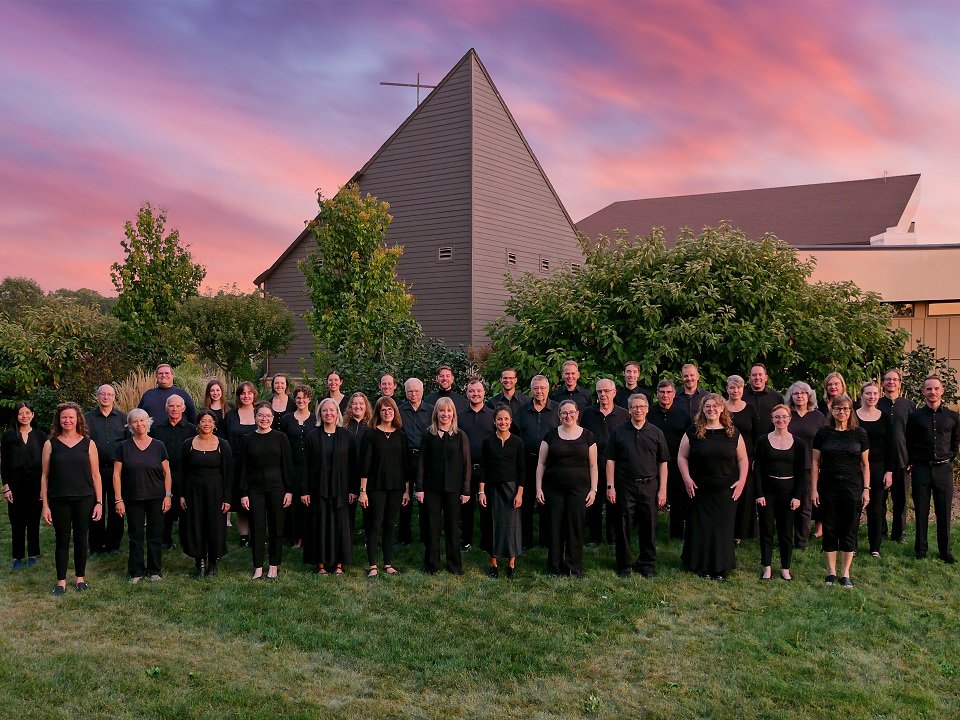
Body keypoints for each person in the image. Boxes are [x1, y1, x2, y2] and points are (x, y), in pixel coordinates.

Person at [678, 394, 749, 580]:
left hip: (726, 490)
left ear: (722, 409)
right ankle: (701, 565)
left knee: (722, 529)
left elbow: (743, 459)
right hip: (699, 489)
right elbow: (681, 457)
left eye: (715, 406)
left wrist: (741, 481)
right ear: (702, 409)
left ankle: (720, 568)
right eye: (707, 406)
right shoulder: (693, 431)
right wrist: (686, 479)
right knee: (701, 527)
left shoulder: (732, 432)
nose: (711, 409)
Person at [40, 402, 103, 595]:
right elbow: (44, 476)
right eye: (64, 417)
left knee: (81, 539)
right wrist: (45, 505)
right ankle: (61, 581)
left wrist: (99, 502)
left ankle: (80, 579)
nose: (67, 420)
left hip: (84, 498)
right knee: (62, 539)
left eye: (71, 417)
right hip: (59, 499)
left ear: (78, 420)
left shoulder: (88, 443)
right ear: (59, 420)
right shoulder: (50, 444)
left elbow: (96, 475)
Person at [605, 394, 669, 578]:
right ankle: (624, 564)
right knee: (623, 525)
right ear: (629, 409)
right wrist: (611, 486)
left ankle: (647, 563)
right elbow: (610, 460)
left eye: (641, 406)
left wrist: (662, 489)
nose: (638, 410)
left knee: (649, 526)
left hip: (650, 485)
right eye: (634, 407)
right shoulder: (619, 432)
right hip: (625, 485)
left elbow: (663, 462)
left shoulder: (656, 433)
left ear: (647, 409)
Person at [535, 399, 598, 577]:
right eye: (564, 413)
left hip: (579, 490)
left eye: (571, 412)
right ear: (559, 415)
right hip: (553, 489)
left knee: (575, 527)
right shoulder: (551, 435)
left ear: (577, 414)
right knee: (554, 527)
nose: (568, 416)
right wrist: (538, 488)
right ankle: (554, 567)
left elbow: (593, 466)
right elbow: (541, 463)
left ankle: (573, 566)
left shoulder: (588, 436)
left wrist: (593, 489)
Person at [811, 394, 869, 587]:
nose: (841, 412)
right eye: (837, 409)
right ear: (832, 411)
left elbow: (865, 464)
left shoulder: (860, 433)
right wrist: (814, 489)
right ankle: (831, 572)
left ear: (850, 411)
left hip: (852, 488)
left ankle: (845, 573)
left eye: (845, 409)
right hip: (828, 487)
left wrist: (866, 489)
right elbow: (815, 462)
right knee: (830, 529)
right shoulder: (823, 433)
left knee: (848, 530)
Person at [113, 408, 172, 583]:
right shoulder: (123, 447)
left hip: (156, 497)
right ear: (130, 425)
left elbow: (167, 473)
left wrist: (168, 495)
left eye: (142, 420)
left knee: (155, 535)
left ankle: (154, 570)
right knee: (135, 535)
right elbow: (116, 475)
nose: (139, 424)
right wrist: (118, 499)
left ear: (148, 422)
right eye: (135, 421)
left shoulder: (159, 445)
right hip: (133, 497)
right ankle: (136, 571)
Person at [906, 376, 959, 564]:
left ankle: (945, 551)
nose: (932, 392)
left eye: (936, 388)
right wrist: (913, 461)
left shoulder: (952, 417)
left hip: (944, 469)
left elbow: (955, 442)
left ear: (942, 390)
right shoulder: (915, 417)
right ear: (923, 392)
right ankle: (920, 549)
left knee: (943, 512)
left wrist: (949, 458)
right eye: (928, 389)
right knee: (921, 510)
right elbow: (909, 442)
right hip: (921, 469)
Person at [415, 397, 471, 575]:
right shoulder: (428, 434)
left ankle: (454, 564)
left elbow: (467, 464)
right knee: (432, 527)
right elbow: (421, 462)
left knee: (453, 527)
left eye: (448, 411)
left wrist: (466, 490)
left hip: (454, 489)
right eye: (441, 411)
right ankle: (432, 564)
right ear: (436, 413)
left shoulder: (460, 435)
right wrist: (420, 488)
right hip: (431, 489)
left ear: (453, 413)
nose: (445, 414)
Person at [302, 398, 358, 575]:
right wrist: (304, 491)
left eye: (332, 410)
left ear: (337, 413)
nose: (329, 414)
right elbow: (305, 465)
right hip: (318, 489)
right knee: (320, 525)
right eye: (325, 411)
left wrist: (353, 490)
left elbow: (354, 465)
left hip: (341, 489)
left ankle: (339, 564)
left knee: (340, 525)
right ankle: (321, 564)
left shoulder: (347, 436)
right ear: (320, 413)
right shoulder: (312, 436)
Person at [239, 403, 293, 579]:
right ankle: (257, 567)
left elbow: (287, 465)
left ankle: (274, 565)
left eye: (267, 416)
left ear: (273, 418)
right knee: (257, 527)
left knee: (276, 527)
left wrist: (289, 490)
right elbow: (243, 468)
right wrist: (243, 493)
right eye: (261, 415)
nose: (264, 419)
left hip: (277, 488)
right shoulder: (247, 439)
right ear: (255, 417)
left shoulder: (280, 438)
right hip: (255, 489)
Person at [359, 396, 410, 577]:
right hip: (375, 487)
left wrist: (406, 490)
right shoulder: (370, 434)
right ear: (378, 413)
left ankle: (388, 564)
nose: (387, 412)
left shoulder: (401, 435)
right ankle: (373, 565)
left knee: (390, 525)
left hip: (396, 487)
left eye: (390, 409)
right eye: (383, 410)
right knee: (374, 524)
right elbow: (365, 464)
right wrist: (362, 491)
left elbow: (406, 465)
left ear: (395, 412)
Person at [754, 405, 805, 581]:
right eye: (777, 417)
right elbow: (758, 469)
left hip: (789, 493)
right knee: (766, 530)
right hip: (767, 492)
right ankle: (766, 566)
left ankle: (785, 567)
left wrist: (797, 496)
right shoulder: (762, 441)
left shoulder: (798, 443)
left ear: (789, 419)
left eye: (784, 417)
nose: (780, 420)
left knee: (786, 532)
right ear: (772, 419)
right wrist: (759, 494)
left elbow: (801, 472)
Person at [179, 409, 233, 577]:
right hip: (193, 491)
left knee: (214, 526)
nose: (207, 424)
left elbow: (229, 473)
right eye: (203, 421)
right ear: (198, 424)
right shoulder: (188, 444)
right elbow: (182, 471)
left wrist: (227, 497)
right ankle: (199, 560)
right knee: (196, 525)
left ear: (215, 424)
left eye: (210, 421)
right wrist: (181, 495)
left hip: (216, 492)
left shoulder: (223, 444)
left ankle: (213, 563)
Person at [580, 378, 628, 546]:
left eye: (606, 391)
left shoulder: (624, 414)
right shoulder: (587, 413)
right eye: (599, 391)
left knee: (614, 502)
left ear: (614, 393)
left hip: (616, 464)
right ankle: (594, 537)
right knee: (594, 501)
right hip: (592, 463)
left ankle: (613, 537)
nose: (603, 394)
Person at [479, 405, 525, 578]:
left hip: (512, 490)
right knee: (493, 525)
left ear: (511, 421)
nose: (503, 422)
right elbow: (483, 467)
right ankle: (494, 564)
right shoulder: (488, 441)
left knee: (512, 526)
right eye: (499, 419)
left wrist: (519, 493)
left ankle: (512, 563)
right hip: (492, 489)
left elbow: (522, 470)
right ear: (494, 421)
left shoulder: (518, 442)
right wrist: (481, 491)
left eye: (506, 419)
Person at [514, 375, 559, 549]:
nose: (539, 391)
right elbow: (516, 435)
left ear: (548, 389)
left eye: (542, 388)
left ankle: (546, 539)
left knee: (547, 502)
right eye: (535, 388)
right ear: (531, 390)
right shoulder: (522, 411)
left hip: (550, 464)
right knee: (525, 502)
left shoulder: (556, 410)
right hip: (527, 461)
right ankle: (526, 541)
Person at [2, 402, 46, 569]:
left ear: (33, 415)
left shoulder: (41, 436)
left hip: (35, 485)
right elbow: (4, 463)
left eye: (28, 413)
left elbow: (46, 464)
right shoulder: (8, 436)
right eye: (21, 413)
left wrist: (44, 487)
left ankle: (33, 554)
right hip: (15, 486)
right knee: (17, 522)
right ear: (16, 416)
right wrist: (6, 487)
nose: (25, 416)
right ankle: (17, 557)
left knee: (33, 521)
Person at [648, 380, 692, 540]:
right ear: (657, 394)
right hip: (653, 462)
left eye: (668, 392)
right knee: (652, 497)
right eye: (661, 392)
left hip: (676, 461)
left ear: (674, 394)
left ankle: (677, 534)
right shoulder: (650, 413)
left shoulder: (682, 414)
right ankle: (650, 531)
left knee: (679, 499)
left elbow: (690, 438)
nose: (665, 395)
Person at [86, 384, 127, 556]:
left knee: (116, 505)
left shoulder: (123, 418)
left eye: (109, 394)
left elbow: (128, 443)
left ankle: (113, 544)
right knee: (96, 505)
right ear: (97, 397)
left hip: (117, 470)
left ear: (114, 397)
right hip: (95, 470)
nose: (106, 397)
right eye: (102, 394)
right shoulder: (87, 418)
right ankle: (96, 545)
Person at [785, 380, 826, 549]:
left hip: (810, 467)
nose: (799, 396)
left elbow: (824, 441)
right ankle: (785, 537)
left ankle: (801, 541)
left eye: (803, 393)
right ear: (791, 397)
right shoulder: (786, 414)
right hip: (787, 465)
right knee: (787, 504)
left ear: (809, 396)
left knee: (805, 506)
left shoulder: (817, 416)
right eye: (796, 393)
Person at [151, 395, 196, 550]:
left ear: (183, 408)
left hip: (185, 473)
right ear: (166, 408)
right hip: (162, 474)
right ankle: (164, 540)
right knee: (164, 508)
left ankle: (186, 540)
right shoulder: (157, 429)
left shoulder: (191, 429)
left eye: (178, 406)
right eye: (171, 406)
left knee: (185, 507)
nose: (174, 409)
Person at [856, 381, 894, 557]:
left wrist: (889, 471)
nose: (871, 397)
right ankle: (852, 545)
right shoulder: (853, 417)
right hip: (855, 467)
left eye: (874, 394)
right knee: (854, 507)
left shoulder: (885, 417)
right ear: (861, 395)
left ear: (879, 396)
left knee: (876, 508)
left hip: (878, 468)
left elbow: (890, 446)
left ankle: (875, 547)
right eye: (868, 393)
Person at [877, 368, 914, 543]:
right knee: (880, 500)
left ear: (900, 383)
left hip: (903, 460)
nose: (891, 382)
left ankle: (899, 534)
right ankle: (881, 532)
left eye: (895, 379)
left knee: (901, 501)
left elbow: (915, 434)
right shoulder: (876, 403)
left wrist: (912, 459)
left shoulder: (909, 405)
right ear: (882, 383)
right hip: (880, 461)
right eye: (888, 379)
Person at [458, 378, 495, 551]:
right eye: (472, 391)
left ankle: (486, 541)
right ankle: (466, 540)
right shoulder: (459, 416)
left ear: (484, 393)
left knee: (486, 507)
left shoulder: (492, 415)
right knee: (465, 508)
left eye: (478, 391)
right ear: (467, 394)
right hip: (465, 469)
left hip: (486, 469)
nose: (475, 394)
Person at [725, 375, 760, 542]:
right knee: (728, 494)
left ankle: (741, 532)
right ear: (727, 389)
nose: (735, 390)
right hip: (725, 458)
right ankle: (727, 530)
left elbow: (757, 435)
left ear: (743, 389)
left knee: (745, 495)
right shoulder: (721, 408)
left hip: (747, 458)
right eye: (732, 387)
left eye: (738, 387)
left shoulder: (750, 409)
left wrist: (755, 458)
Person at [398, 378, 433, 546]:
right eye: (410, 391)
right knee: (404, 499)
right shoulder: (399, 411)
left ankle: (426, 536)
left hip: (424, 458)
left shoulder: (431, 411)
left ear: (422, 391)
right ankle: (404, 536)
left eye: (416, 391)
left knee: (424, 498)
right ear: (405, 393)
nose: (413, 394)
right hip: (404, 458)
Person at [279, 384, 313, 549]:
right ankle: (294, 537)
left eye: (304, 397)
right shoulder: (287, 419)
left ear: (309, 399)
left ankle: (307, 536)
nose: (301, 400)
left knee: (307, 502)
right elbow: (282, 442)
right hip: (291, 466)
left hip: (310, 467)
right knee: (292, 503)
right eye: (298, 398)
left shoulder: (315, 419)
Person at [224, 381, 258, 547]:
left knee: (256, 499)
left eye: (249, 393)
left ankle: (257, 534)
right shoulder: (231, 415)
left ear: (254, 395)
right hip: (237, 462)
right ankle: (244, 536)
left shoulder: (261, 413)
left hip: (257, 463)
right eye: (243, 393)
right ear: (238, 396)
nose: (246, 396)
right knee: (241, 500)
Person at [342, 391, 372, 537]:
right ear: (350, 406)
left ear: (366, 406)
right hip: (348, 471)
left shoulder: (372, 425)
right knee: (349, 505)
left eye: (361, 404)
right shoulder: (344, 425)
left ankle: (368, 536)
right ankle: (348, 536)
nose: (358, 406)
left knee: (368, 507)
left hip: (368, 471)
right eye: (354, 403)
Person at [744, 363, 783, 432]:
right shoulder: (741, 396)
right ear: (749, 378)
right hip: (746, 440)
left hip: (770, 440)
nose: (757, 377)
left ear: (766, 378)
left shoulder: (777, 397)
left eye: (760, 374)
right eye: (754, 375)